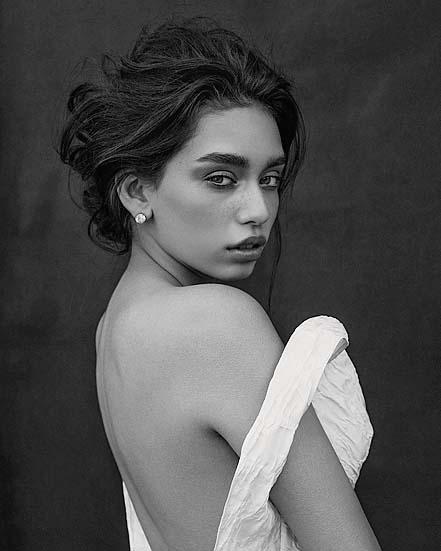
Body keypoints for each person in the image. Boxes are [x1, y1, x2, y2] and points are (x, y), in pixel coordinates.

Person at [59, 18, 381, 551]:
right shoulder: (214, 323)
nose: (258, 210)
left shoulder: (117, 326)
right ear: (137, 192)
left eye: (270, 179)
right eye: (221, 179)